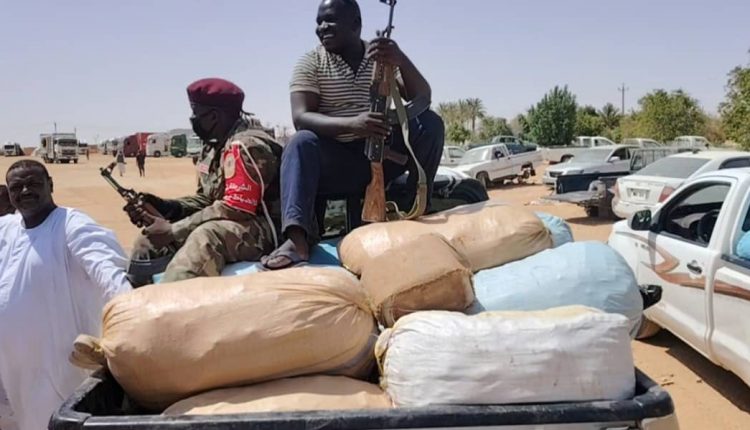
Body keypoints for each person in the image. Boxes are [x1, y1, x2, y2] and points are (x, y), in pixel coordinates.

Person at [261, 0, 444, 270]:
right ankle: (296, 240)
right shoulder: (311, 62)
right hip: (336, 163)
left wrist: (400, 59)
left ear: (356, 24)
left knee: (430, 123)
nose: (322, 27)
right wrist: (353, 124)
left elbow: (422, 97)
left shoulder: (381, 58)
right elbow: (301, 117)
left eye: (330, 20)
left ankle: (416, 206)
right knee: (300, 143)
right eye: (319, 22)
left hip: (383, 156)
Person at [0, 160, 131, 430]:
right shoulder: (7, 229)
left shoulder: (71, 224)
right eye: (17, 187)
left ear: (50, 185)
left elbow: (106, 269)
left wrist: (131, 312)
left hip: (61, 366)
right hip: (15, 368)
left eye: (33, 183)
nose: (25, 191)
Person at [124, 78, 282, 284]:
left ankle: (172, 300)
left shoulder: (246, 145)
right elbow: (206, 199)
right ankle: (135, 296)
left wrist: (174, 230)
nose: (193, 120)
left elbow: (237, 208)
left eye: (196, 114)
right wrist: (168, 207)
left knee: (205, 238)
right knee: (147, 241)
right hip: (231, 221)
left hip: (265, 229)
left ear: (214, 116)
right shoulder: (212, 148)